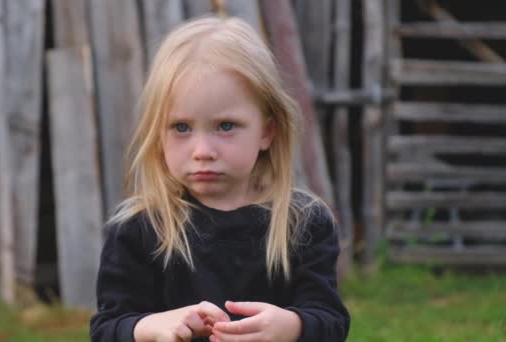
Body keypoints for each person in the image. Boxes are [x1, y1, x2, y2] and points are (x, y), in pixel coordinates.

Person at [90, 15, 350, 342]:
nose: (202, 151)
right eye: (181, 127)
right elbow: (108, 328)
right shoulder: (139, 229)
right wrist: (155, 327)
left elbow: (330, 321)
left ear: (267, 131)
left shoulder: (303, 223)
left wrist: (291, 325)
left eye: (225, 126)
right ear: (158, 134)